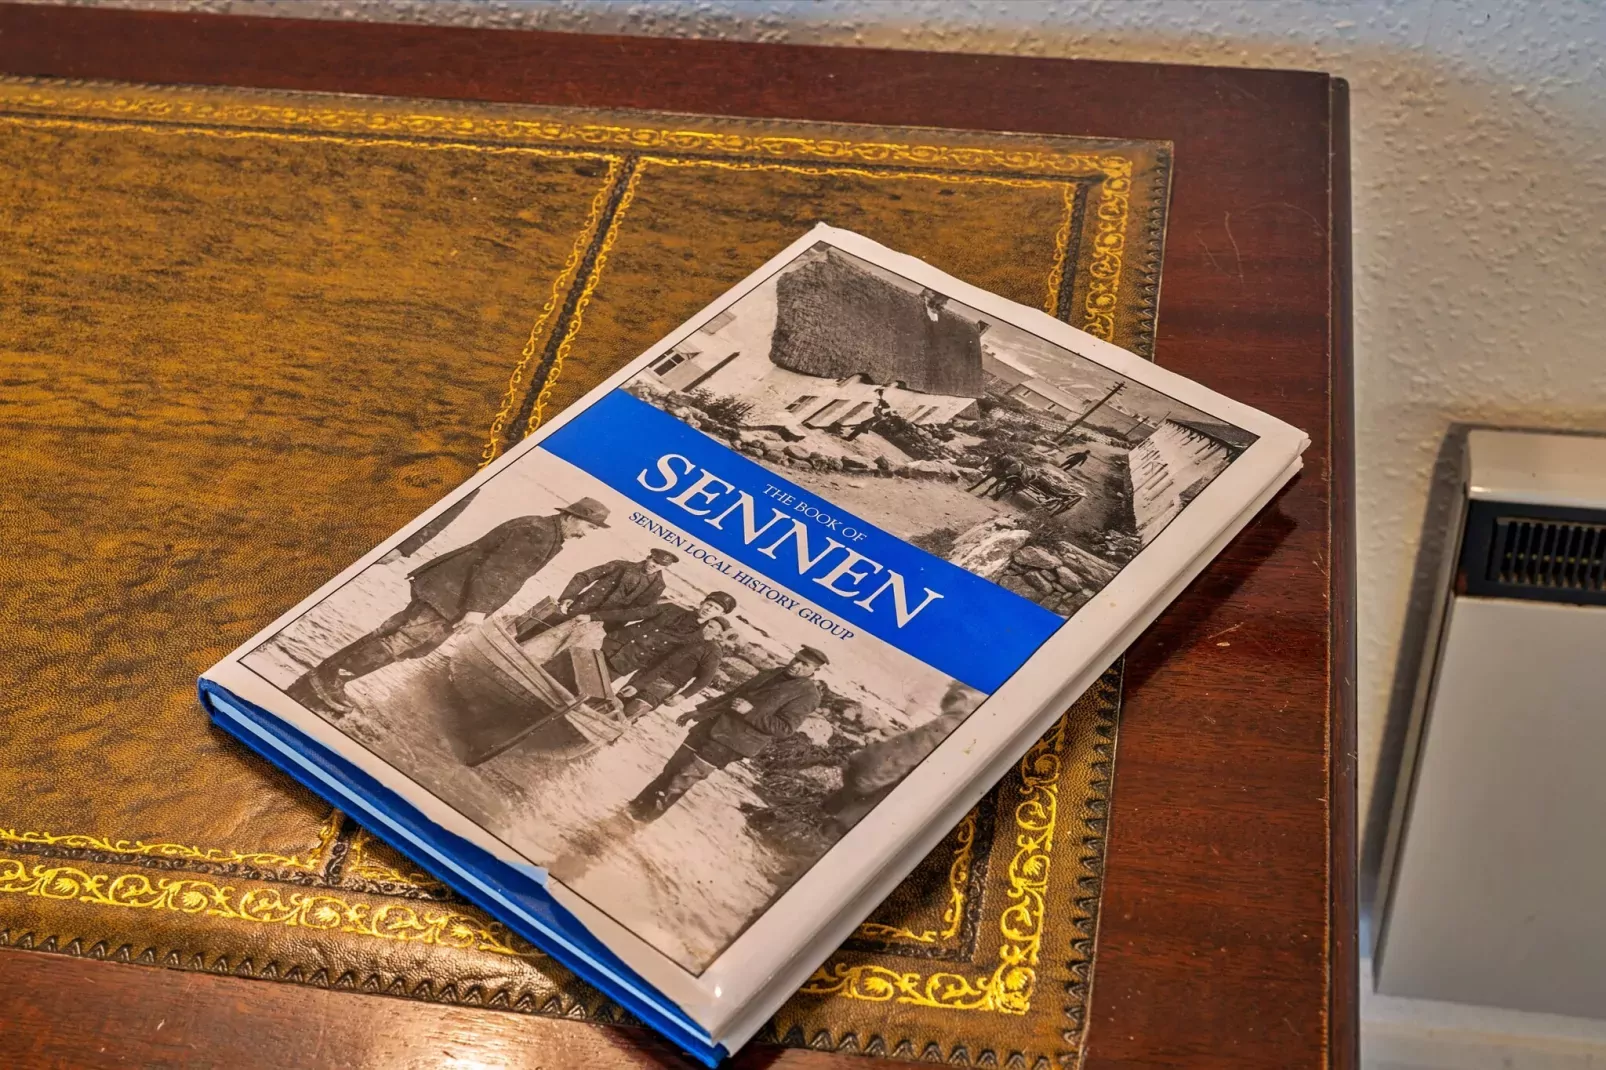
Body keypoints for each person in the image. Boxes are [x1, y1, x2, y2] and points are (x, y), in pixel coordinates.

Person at [286, 497, 610, 717]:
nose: (588, 534)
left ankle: (325, 677)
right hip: (452, 592)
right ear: (572, 517)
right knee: (405, 640)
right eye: (590, 527)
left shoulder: (549, 534)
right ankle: (331, 681)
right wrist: (476, 610)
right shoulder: (538, 532)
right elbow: (495, 571)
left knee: (401, 637)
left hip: (452, 589)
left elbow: (504, 575)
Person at [628, 646, 828, 820]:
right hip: (708, 728)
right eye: (796, 659)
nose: (796, 665)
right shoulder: (772, 673)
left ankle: (640, 822)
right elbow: (733, 695)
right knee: (671, 770)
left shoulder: (808, 695)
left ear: (815, 670)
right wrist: (700, 711)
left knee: (681, 780)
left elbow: (784, 729)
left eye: (804, 665)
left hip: (732, 742)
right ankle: (630, 811)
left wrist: (750, 712)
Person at [820, 680, 986, 836]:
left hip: (868, 819)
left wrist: (857, 773)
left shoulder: (963, 715)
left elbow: (894, 759)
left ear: (962, 696)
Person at [513, 547, 676, 640]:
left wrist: (598, 620)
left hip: (605, 624)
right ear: (648, 557)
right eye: (654, 561)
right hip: (580, 608)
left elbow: (639, 612)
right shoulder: (620, 565)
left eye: (661, 565)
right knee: (540, 633)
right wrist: (568, 597)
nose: (655, 566)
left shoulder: (658, 587)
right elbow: (584, 577)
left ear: (665, 567)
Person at [589, 592, 737, 678]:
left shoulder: (696, 639)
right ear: (702, 603)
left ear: (721, 614)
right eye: (709, 604)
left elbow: (666, 661)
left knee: (589, 688)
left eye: (716, 608)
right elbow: (632, 614)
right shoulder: (671, 608)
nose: (709, 609)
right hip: (609, 645)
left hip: (626, 663)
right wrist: (593, 616)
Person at [616, 616, 730, 719]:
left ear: (718, 634)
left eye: (711, 627)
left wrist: (682, 696)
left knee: (632, 712)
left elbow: (704, 679)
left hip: (665, 685)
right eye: (705, 624)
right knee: (616, 704)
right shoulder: (686, 635)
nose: (705, 628)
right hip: (646, 674)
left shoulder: (713, 652)